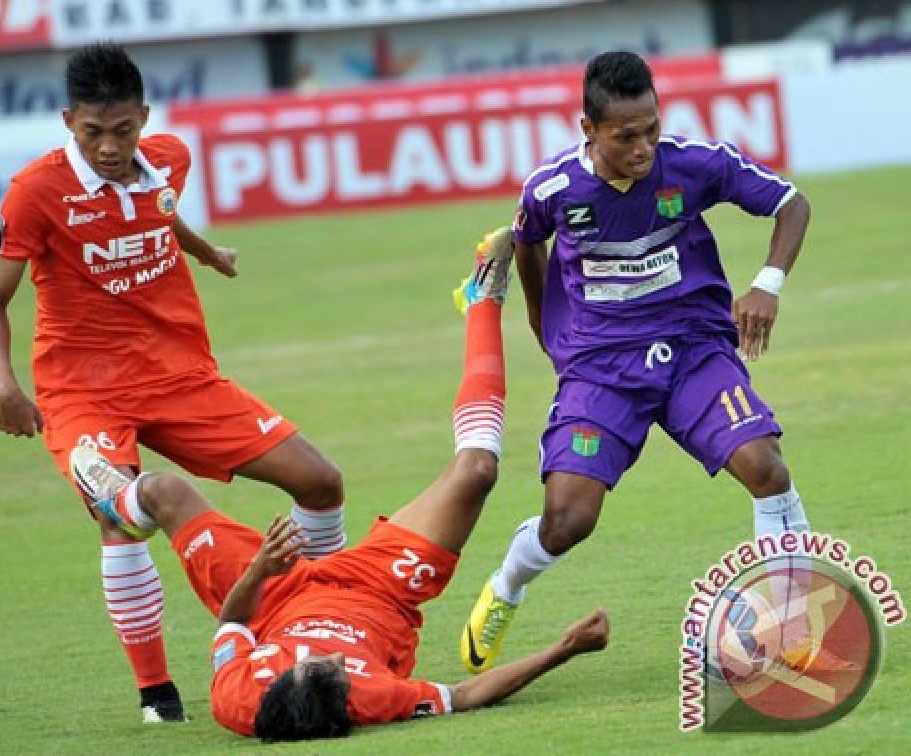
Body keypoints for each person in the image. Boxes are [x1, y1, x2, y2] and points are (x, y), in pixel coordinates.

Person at [66, 228, 610, 740]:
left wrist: (262, 568)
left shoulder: (235, 701)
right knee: (477, 473)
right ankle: (482, 298)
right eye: (334, 670)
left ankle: (113, 497)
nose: (325, 657)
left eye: (310, 666)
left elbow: (231, 622)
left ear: (278, 683)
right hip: (381, 588)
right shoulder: (373, 698)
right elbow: (467, 694)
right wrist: (564, 649)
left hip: (271, 595)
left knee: (164, 492)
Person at [0, 43, 345, 724]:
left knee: (321, 482)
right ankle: (158, 697)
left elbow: (157, 209)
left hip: (180, 376)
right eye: (93, 132)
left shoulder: (170, 156)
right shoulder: (35, 192)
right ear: (68, 121)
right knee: (122, 519)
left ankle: (331, 621)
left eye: (123, 130)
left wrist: (205, 251)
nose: (110, 147)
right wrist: (4, 387)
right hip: (83, 392)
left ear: (144, 118)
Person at [460, 50, 818, 676]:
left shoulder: (694, 162)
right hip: (601, 368)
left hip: (693, 351)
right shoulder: (552, 189)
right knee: (568, 519)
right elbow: (525, 243)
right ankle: (508, 586)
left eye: (651, 128)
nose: (645, 146)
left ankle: (791, 622)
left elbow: (792, 203)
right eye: (627, 136)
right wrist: (551, 333)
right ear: (589, 130)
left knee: (764, 466)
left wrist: (767, 283)